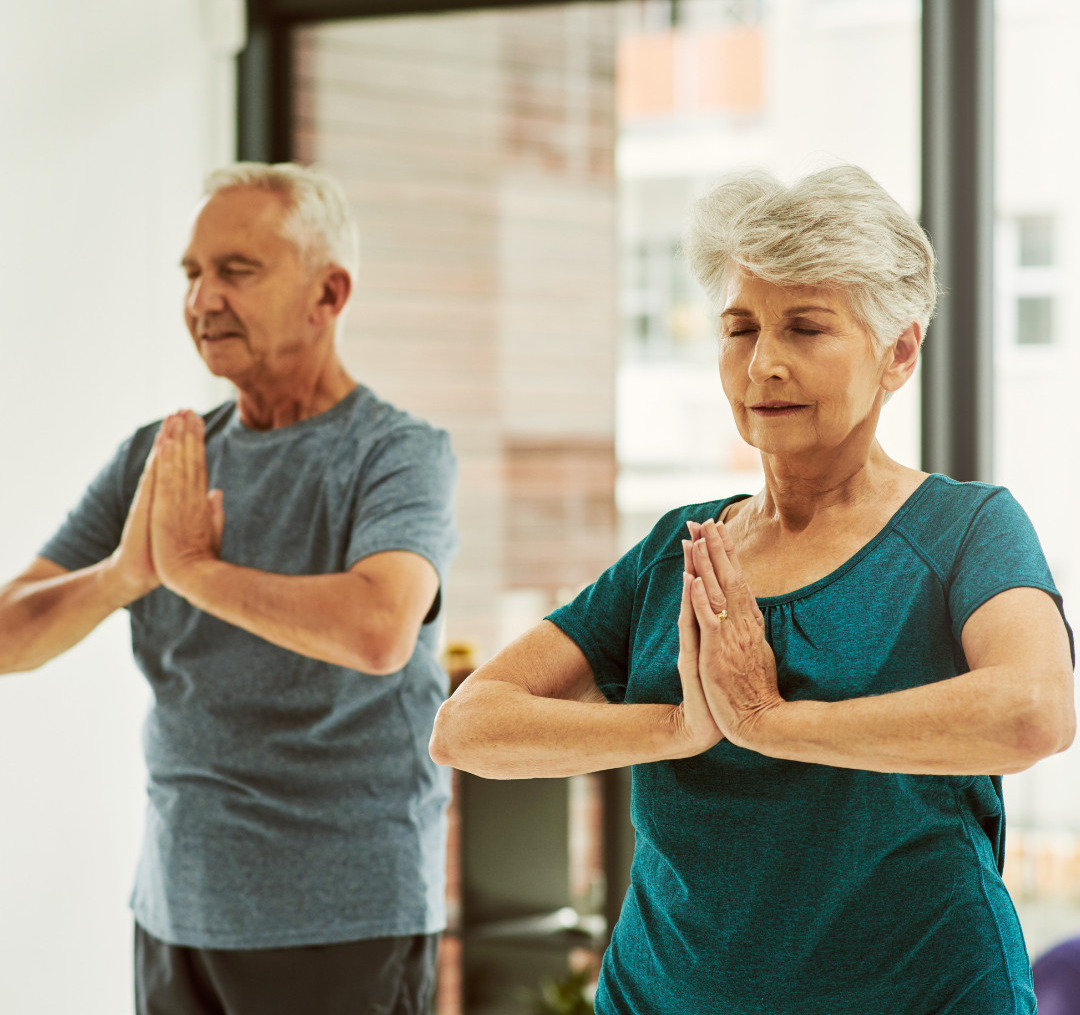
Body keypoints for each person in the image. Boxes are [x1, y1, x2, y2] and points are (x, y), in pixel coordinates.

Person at [430, 165, 1077, 1014]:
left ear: (901, 351)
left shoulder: (966, 529)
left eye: (806, 328)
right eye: (740, 329)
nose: (763, 364)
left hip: (923, 992)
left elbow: (1034, 711)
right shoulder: (681, 548)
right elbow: (469, 725)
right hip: (662, 994)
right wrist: (679, 724)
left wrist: (774, 723)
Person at [0, 163, 458, 1015]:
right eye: (192, 273)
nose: (203, 299)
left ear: (329, 293)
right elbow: (7, 637)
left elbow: (379, 627)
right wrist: (124, 575)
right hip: (177, 908)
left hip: (344, 916)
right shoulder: (160, 456)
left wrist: (195, 574)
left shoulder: (395, 453)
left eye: (236, 271)